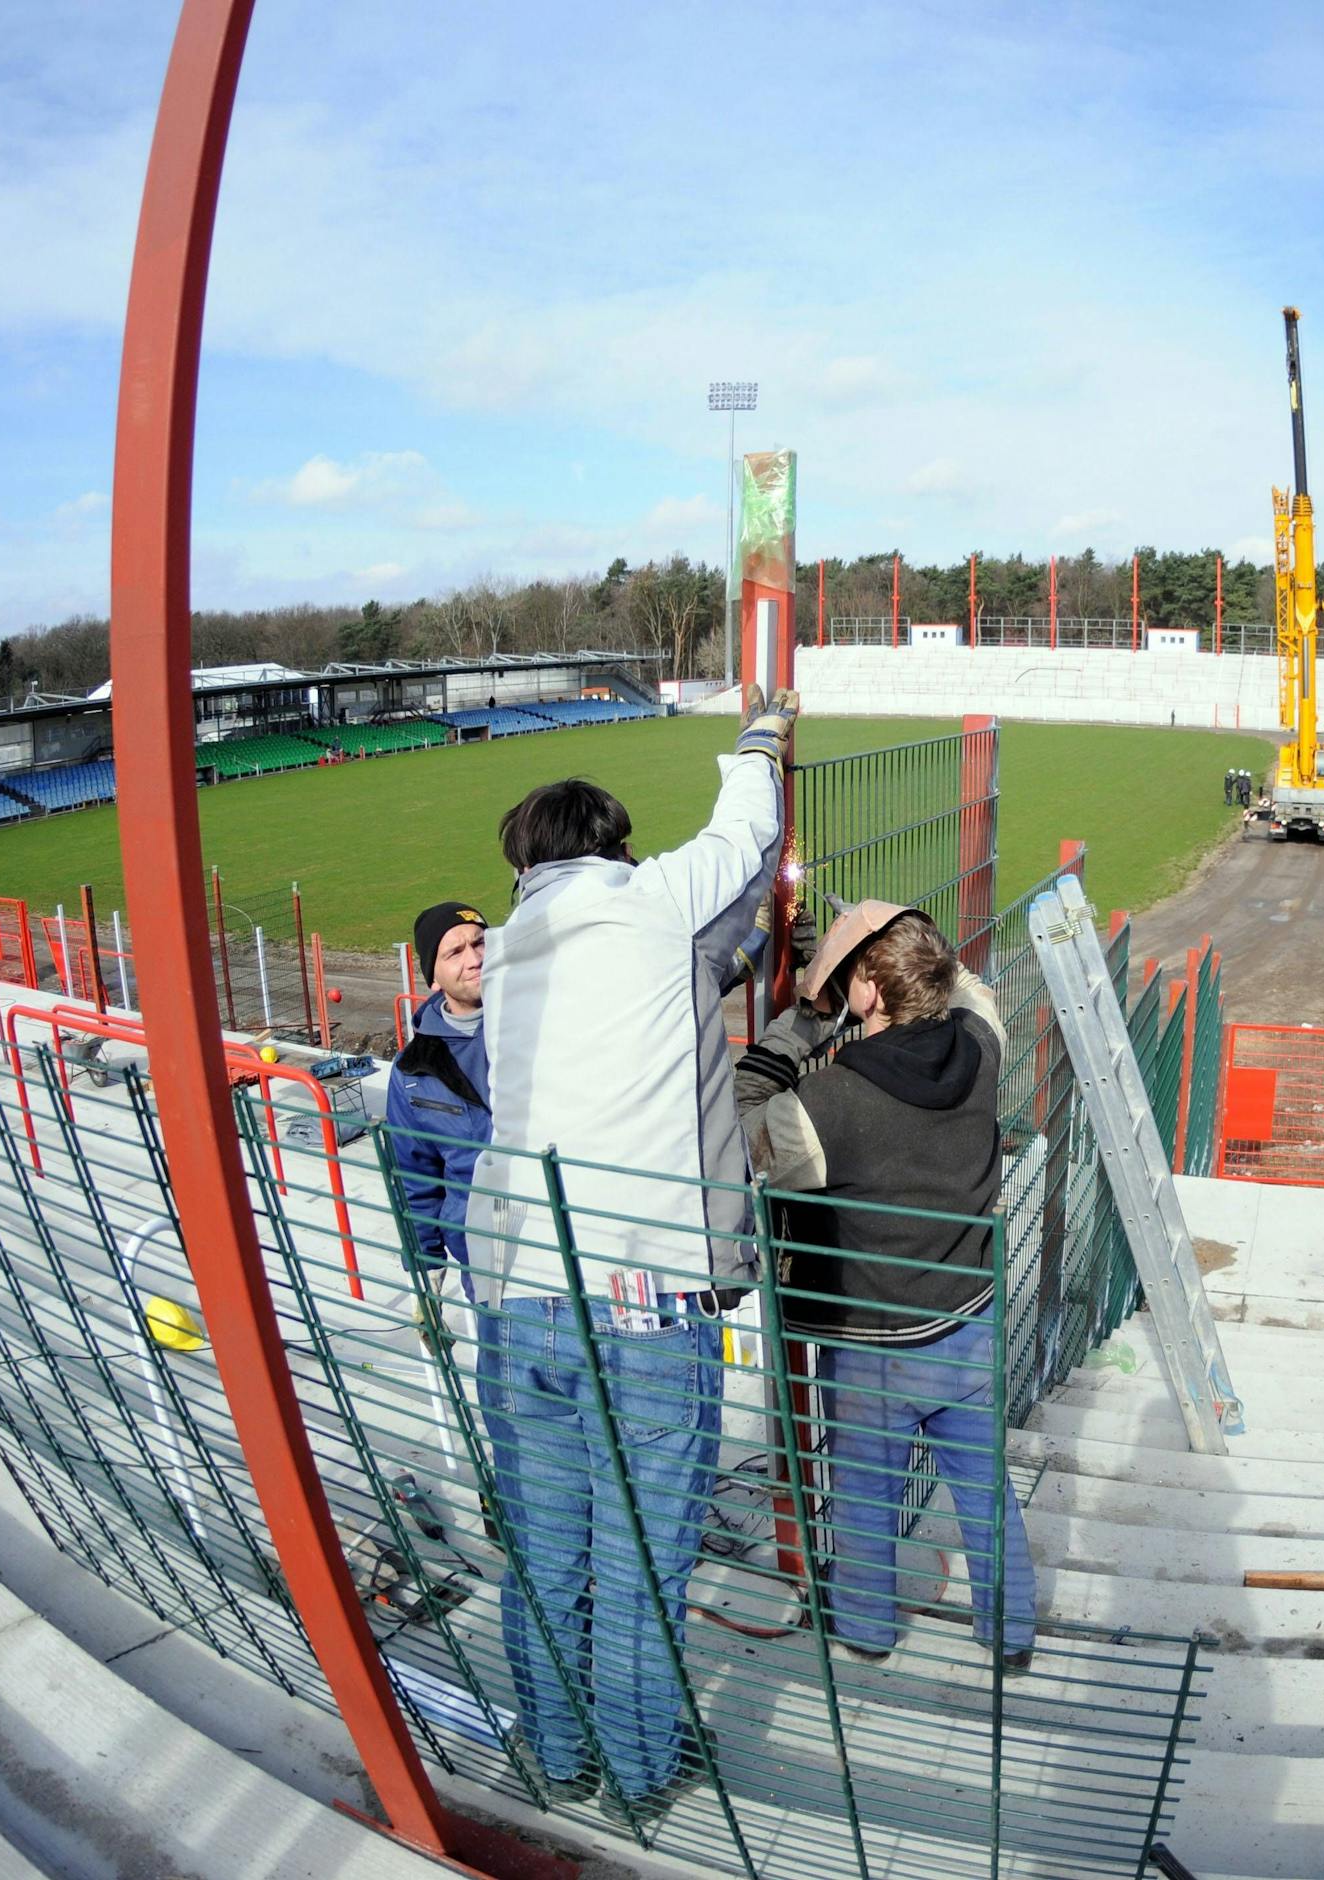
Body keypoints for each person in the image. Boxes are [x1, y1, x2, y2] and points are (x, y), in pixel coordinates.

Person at [468, 684, 797, 1817]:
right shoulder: (652, 903)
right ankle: (641, 1769)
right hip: (646, 1298)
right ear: (613, 847)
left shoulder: (508, 953)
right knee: (645, 1560)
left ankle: (555, 1754)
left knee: (547, 1550)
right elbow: (746, 830)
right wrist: (759, 739)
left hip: (518, 1298)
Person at [733, 901, 1037, 1671]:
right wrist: (891, 932)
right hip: (968, 1320)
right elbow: (969, 988)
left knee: (865, 1502)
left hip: (870, 1346)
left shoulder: (828, 1102)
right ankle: (1010, 1633)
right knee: (985, 1492)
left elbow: (744, 1123)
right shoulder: (979, 1044)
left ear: (865, 990)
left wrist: (803, 1020)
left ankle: (866, 1633)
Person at [384, 902, 490, 1321]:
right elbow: (416, 1179)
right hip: (487, 1265)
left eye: (480, 942)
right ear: (433, 976)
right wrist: (426, 1276)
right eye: (455, 952)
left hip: (575, 1245)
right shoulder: (413, 1071)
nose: (475, 959)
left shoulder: (544, 1023)